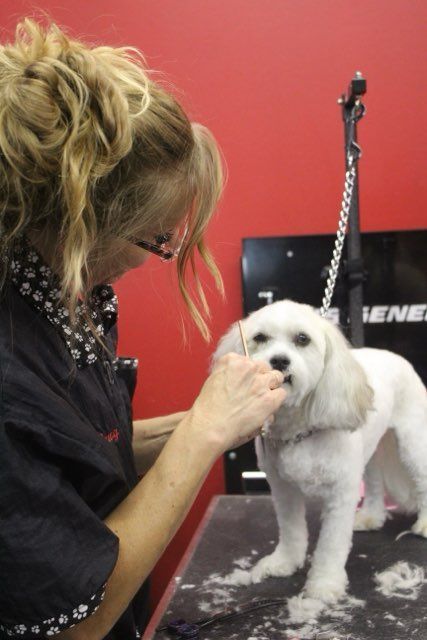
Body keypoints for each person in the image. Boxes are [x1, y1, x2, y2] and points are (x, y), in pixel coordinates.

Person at [0, 19, 286, 640]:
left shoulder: (61, 303)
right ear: (80, 223)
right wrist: (206, 432)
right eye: (152, 238)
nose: (146, 259)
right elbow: (74, 622)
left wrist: (215, 418)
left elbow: (81, 456)